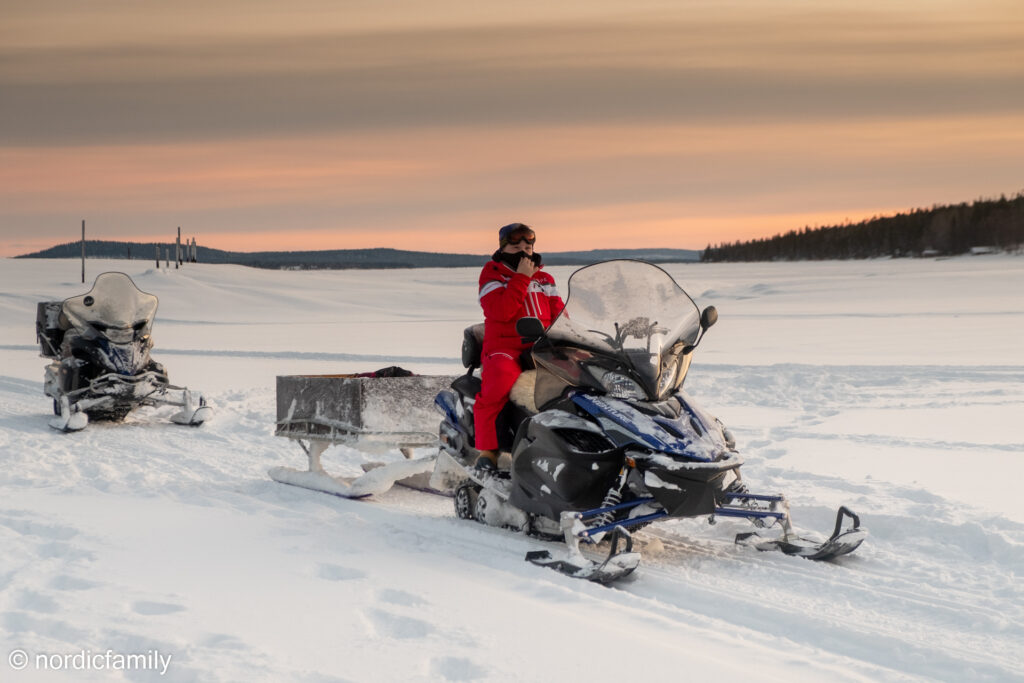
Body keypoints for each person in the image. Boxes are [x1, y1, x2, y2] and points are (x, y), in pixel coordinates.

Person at [473, 222, 565, 471]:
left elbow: (559, 313)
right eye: (516, 246)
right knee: (500, 377)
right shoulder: (492, 274)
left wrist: (573, 338)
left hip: (543, 345)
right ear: (503, 248)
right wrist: (522, 278)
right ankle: (488, 451)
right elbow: (501, 311)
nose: (524, 251)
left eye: (528, 245)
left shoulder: (545, 278)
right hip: (505, 346)